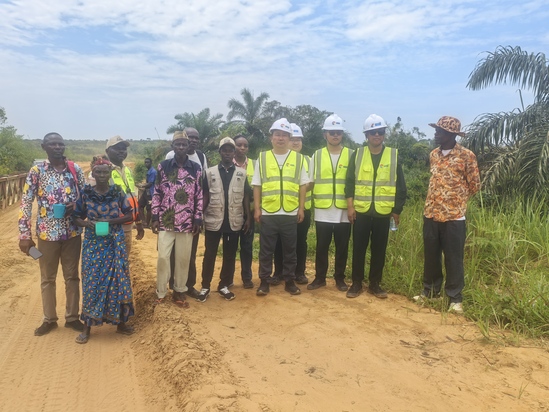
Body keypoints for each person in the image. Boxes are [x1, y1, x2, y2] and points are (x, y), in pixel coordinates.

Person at [18, 132, 85, 336]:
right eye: (53, 144)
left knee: (72, 276)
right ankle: (49, 319)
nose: (57, 147)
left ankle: (72, 317)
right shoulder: (37, 171)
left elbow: (86, 196)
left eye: (60, 144)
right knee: (48, 278)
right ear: (44, 147)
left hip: (72, 232)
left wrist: (77, 205)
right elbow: (26, 202)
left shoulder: (74, 169)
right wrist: (24, 235)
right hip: (46, 235)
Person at [414, 116, 480, 313]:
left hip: (453, 217)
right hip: (431, 213)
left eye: (440, 131)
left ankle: (455, 298)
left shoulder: (467, 156)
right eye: (436, 130)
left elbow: (475, 185)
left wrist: (456, 200)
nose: (436, 134)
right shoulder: (433, 154)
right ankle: (431, 292)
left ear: (452, 135)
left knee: (453, 258)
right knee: (431, 256)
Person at [72, 157, 135, 344]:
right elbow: (75, 217)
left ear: (110, 174)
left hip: (114, 242)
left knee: (118, 281)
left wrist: (110, 221)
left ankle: (121, 323)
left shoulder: (117, 192)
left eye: (104, 172)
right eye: (98, 172)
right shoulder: (86, 193)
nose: (101, 175)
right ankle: (87, 326)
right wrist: (86, 224)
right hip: (93, 244)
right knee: (91, 283)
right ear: (92, 172)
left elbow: (130, 214)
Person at [345, 114, 407, 299]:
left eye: (380, 132)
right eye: (373, 132)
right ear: (367, 135)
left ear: (384, 134)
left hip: (383, 212)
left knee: (379, 250)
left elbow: (401, 186)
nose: (377, 135)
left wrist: (396, 210)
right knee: (359, 249)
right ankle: (356, 283)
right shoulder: (358, 154)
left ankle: (374, 284)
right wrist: (350, 207)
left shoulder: (393, 155)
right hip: (361, 212)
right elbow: (349, 182)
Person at [252, 118, 309, 296]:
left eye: (285, 135)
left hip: (290, 212)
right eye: (277, 134)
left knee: (290, 250)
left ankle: (289, 281)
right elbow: (257, 185)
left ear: (289, 138)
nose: (281, 138)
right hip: (269, 212)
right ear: (271, 137)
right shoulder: (262, 158)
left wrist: (301, 208)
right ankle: (264, 281)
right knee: (266, 250)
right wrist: (257, 209)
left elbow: (303, 185)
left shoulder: (298, 159)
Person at [197, 137, 252, 302]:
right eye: (224, 150)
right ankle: (205, 286)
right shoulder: (209, 173)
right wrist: (199, 215)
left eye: (230, 150)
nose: (228, 153)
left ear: (234, 153)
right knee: (210, 254)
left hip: (234, 220)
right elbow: (205, 195)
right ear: (220, 152)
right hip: (213, 219)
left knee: (229, 255)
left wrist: (248, 217)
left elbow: (245, 196)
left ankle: (224, 285)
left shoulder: (242, 173)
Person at [152, 130, 203, 307]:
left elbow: (199, 195)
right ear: (172, 146)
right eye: (178, 144)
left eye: (184, 144)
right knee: (163, 257)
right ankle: (161, 291)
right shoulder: (163, 166)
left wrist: (197, 219)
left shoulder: (196, 168)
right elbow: (157, 192)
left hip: (187, 222)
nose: (181, 147)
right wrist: (154, 216)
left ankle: (179, 291)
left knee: (183, 259)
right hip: (166, 220)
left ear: (188, 146)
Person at [307, 114, 353, 292]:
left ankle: (339, 278)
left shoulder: (351, 155)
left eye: (338, 132)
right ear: (324, 134)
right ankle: (320, 278)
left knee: (342, 247)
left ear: (342, 134)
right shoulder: (317, 155)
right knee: (322, 247)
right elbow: (310, 182)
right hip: (323, 209)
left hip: (344, 209)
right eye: (331, 132)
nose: (335, 135)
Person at [166, 127, 207, 299]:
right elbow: (166, 187)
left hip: (192, 217)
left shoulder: (201, 157)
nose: (193, 141)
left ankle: (189, 285)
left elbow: (203, 189)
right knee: (172, 252)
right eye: (190, 137)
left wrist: (199, 215)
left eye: (196, 138)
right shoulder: (170, 156)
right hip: (172, 215)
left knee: (190, 253)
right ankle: (173, 285)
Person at [272, 123, 311, 285]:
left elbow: (311, 183)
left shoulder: (307, 160)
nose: (295, 142)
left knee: (300, 241)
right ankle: (279, 272)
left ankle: (299, 272)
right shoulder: (278, 159)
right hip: (282, 209)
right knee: (279, 241)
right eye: (293, 139)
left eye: (298, 139)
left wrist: (299, 189)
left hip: (303, 209)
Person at [105, 135, 145, 256]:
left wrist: (138, 222)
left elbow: (133, 197)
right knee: (108, 261)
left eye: (123, 148)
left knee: (123, 261)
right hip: (110, 228)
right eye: (117, 148)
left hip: (127, 225)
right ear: (107, 151)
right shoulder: (102, 171)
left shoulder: (128, 170)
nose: (121, 151)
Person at [233, 134, 255, 289]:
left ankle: (247, 277)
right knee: (231, 247)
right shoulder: (228, 164)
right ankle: (227, 278)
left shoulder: (255, 164)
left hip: (250, 213)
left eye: (245, 145)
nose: (242, 148)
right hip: (232, 212)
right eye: (239, 145)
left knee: (247, 246)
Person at [138, 157, 157, 228]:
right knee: (139, 205)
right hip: (147, 191)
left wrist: (141, 185)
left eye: (148, 162)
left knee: (149, 208)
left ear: (151, 163)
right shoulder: (149, 171)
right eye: (145, 162)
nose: (146, 164)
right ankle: (144, 222)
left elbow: (150, 184)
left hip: (151, 192)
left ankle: (147, 224)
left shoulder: (153, 172)